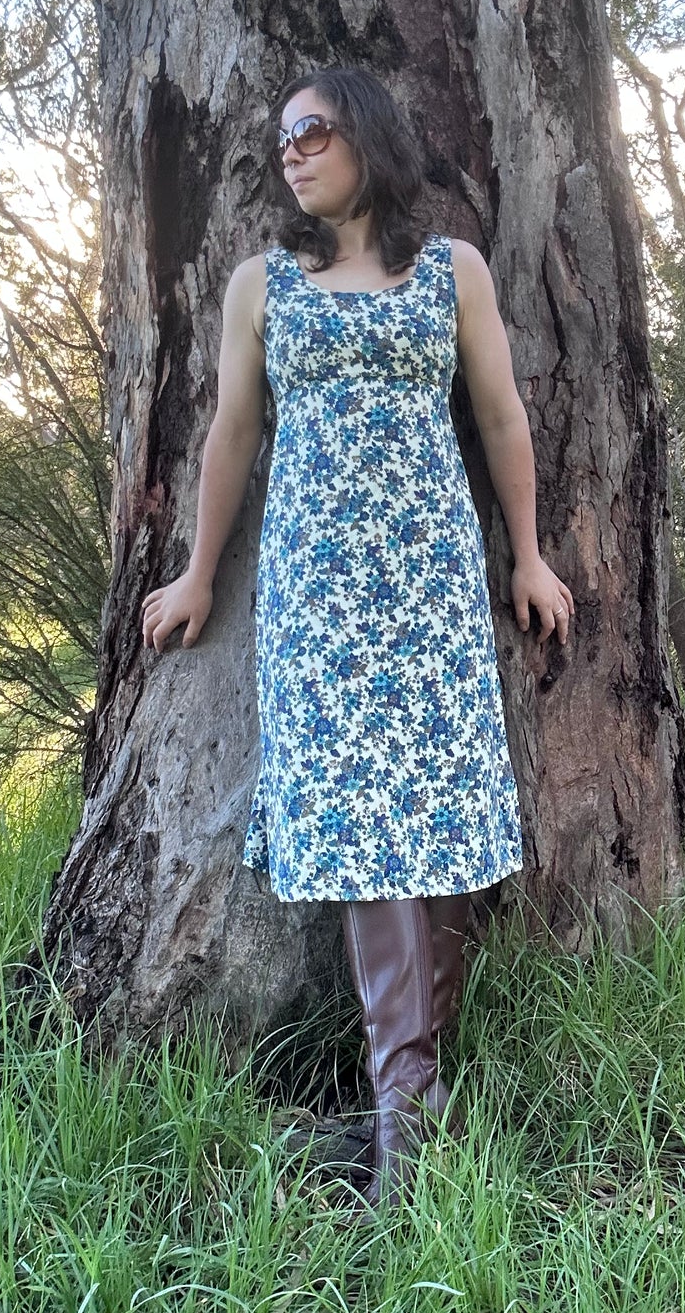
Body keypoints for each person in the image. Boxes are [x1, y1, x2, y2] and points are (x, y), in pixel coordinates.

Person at [140, 63, 574, 1210]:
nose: (291, 152)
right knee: (367, 835)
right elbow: (232, 434)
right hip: (317, 599)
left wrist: (527, 554)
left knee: (438, 827)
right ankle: (406, 1116)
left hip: (428, 587)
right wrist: (195, 572)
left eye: (313, 132)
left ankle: (412, 1109)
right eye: (283, 138)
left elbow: (499, 416)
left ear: (369, 138)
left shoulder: (452, 271)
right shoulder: (261, 286)